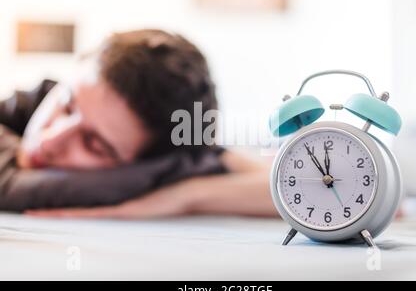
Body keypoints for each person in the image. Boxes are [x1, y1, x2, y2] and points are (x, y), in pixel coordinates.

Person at [0, 29, 276, 218]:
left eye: (94, 144)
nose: (50, 140)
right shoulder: (31, 101)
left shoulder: (169, 163)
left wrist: (187, 197)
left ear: (142, 165)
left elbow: (290, 187)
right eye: (67, 105)